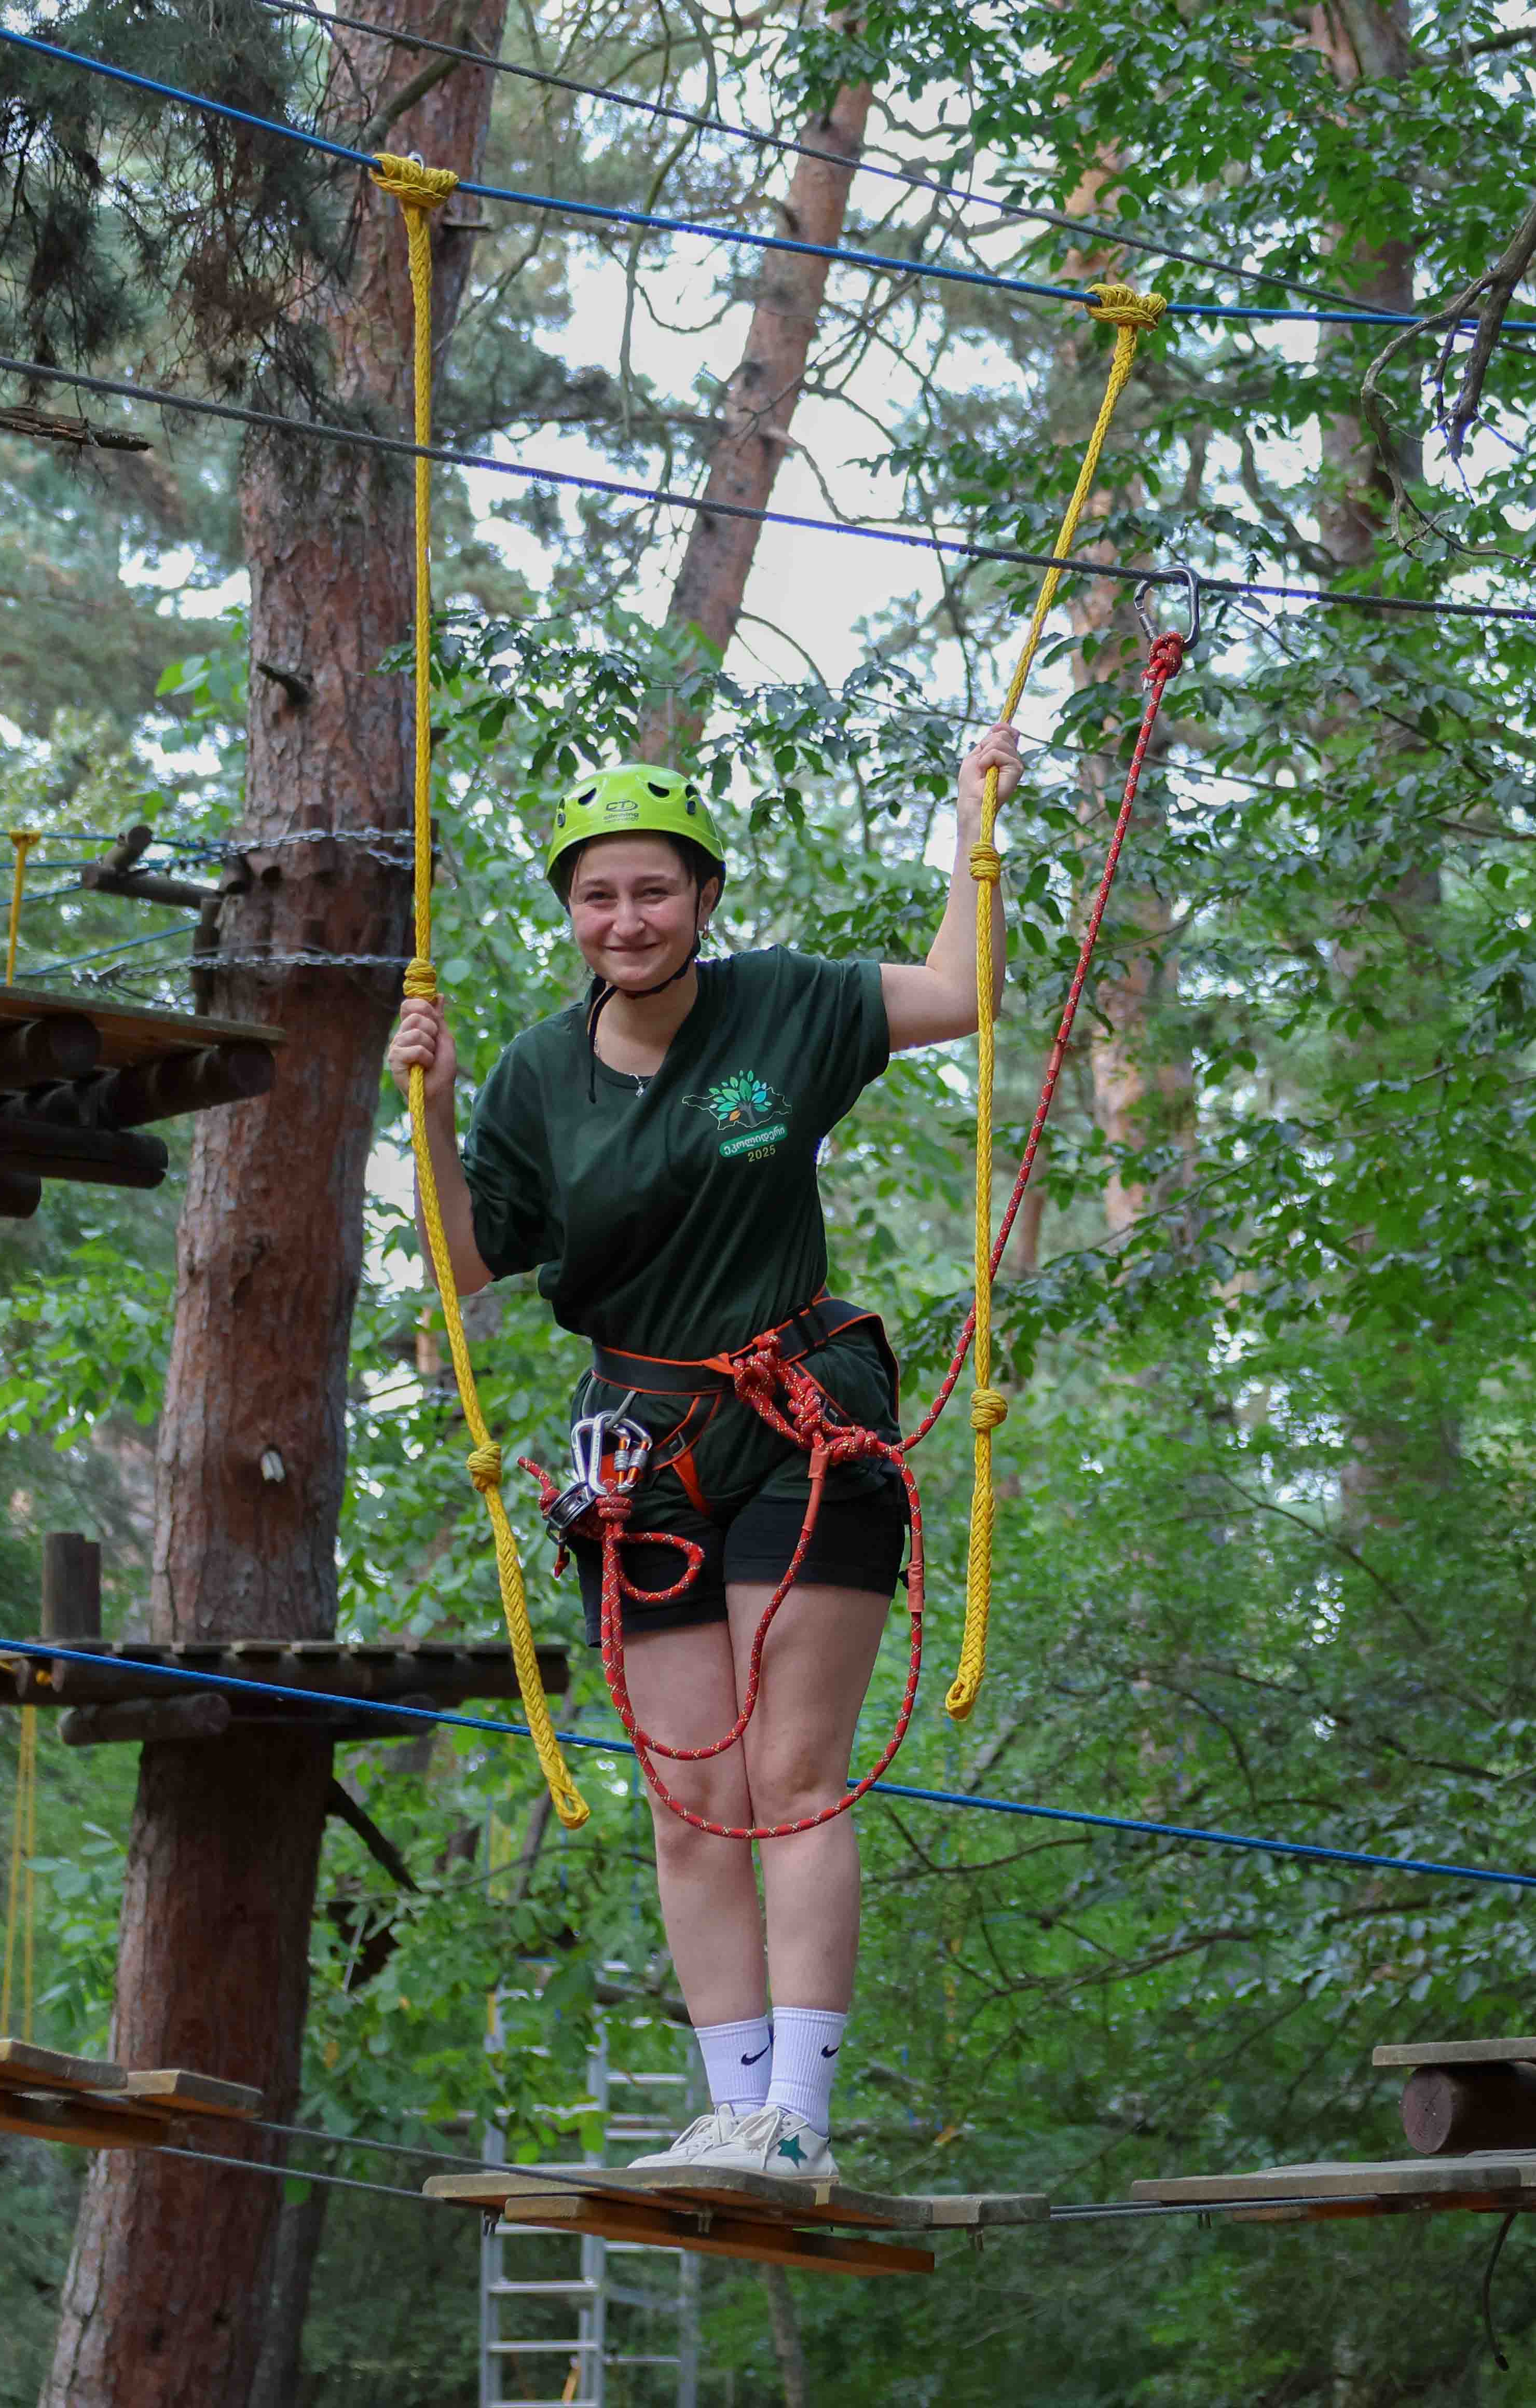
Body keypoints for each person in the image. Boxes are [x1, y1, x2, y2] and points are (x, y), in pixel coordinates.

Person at [390, 731, 1019, 2177]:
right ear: (570, 911)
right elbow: (469, 1265)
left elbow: (961, 992)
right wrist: (429, 1107)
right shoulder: (537, 1078)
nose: (628, 920)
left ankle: (801, 2117)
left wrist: (973, 820)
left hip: (802, 1419)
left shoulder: (784, 1007)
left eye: (655, 890)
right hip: (643, 1448)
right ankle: (735, 2105)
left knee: (792, 1773)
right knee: (690, 1800)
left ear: (705, 897)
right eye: (598, 895)